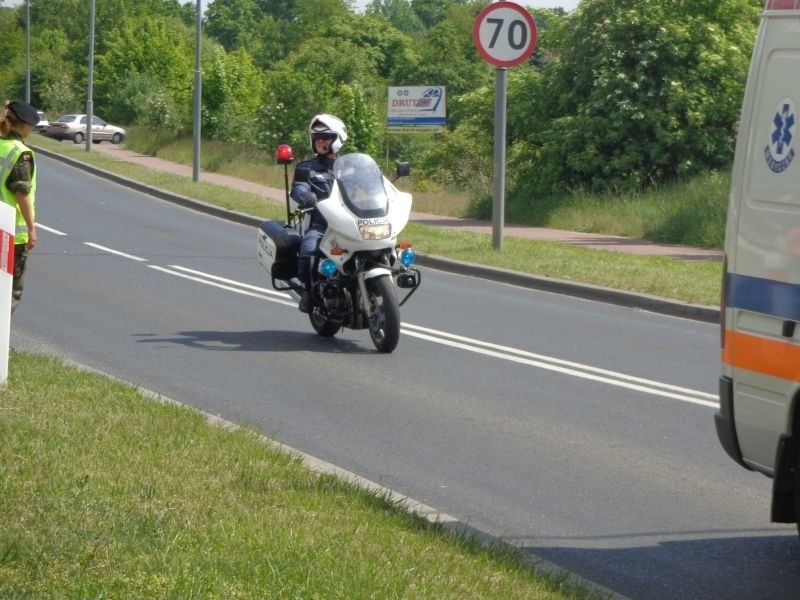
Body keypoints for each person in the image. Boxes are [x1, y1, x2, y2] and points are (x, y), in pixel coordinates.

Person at [290, 114, 347, 313]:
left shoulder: (351, 167)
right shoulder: (307, 168)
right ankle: (308, 291)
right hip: (323, 226)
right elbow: (298, 187)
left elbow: (375, 187)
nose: (322, 142)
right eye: (318, 139)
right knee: (307, 250)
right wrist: (305, 195)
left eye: (326, 138)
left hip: (352, 225)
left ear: (338, 138)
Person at [0, 100, 39, 314]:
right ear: (24, 126)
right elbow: (22, 193)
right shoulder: (20, 153)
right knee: (9, 292)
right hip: (10, 234)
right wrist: (31, 228)